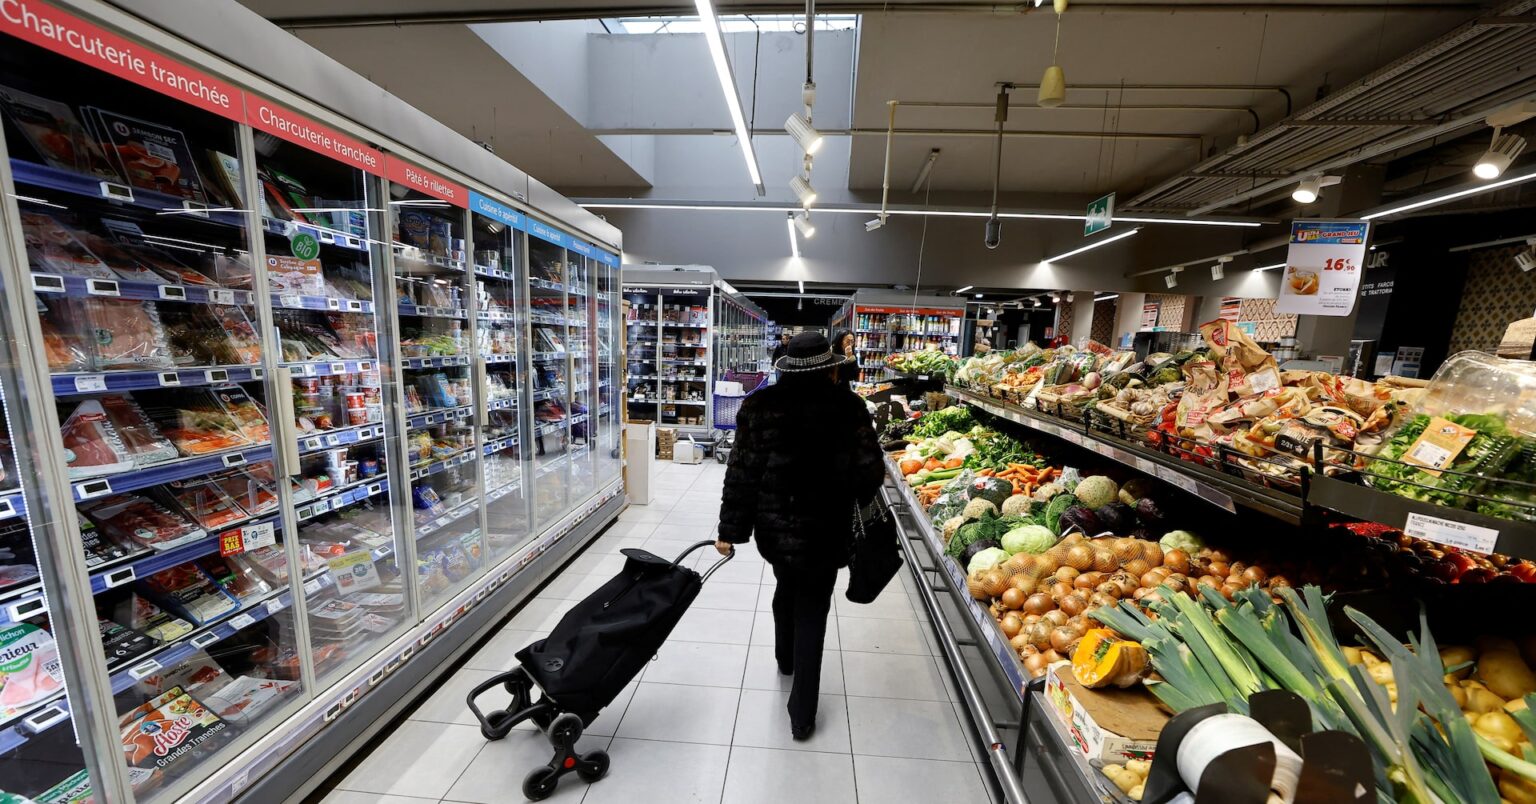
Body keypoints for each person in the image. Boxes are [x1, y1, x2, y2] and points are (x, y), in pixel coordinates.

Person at [716, 332, 885, 739]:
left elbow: (742, 472)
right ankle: (802, 713)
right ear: (830, 368)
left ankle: (784, 657)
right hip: (828, 531)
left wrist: (730, 531)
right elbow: (870, 474)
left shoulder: (759, 406)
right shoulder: (849, 407)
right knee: (814, 608)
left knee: (785, 585)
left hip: (777, 530)